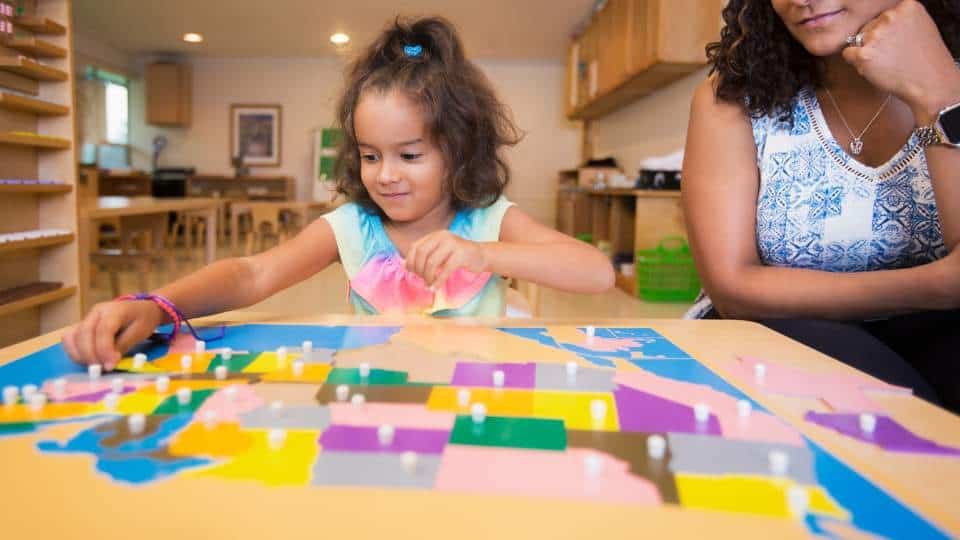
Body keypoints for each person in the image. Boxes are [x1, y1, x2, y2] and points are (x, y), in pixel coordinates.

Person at [64, 17, 615, 370]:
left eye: (410, 155)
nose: (386, 175)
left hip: (473, 402)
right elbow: (253, 274)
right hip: (371, 398)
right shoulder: (353, 226)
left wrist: (484, 254)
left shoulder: (488, 219)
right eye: (371, 155)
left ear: (460, 149)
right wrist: (157, 306)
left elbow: (596, 272)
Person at [683, 0, 960, 412]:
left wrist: (937, 93)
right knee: (886, 407)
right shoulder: (734, 95)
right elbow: (734, 286)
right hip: (776, 328)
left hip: (936, 334)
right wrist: (938, 286)